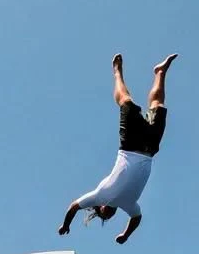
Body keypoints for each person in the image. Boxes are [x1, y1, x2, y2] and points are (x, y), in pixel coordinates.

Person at [58, 53, 177, 244]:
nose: (108, 215)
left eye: (103, 215)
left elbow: (74, 207)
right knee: (158, 105)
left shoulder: (99, 195)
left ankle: (117, 72)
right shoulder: (129, 205)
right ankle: (160, 72)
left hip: (129, 145)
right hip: (149, 149)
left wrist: (66, 225)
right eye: (109, 218)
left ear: (100, 207)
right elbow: (136, 218)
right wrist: (125, 235)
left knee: (125, 101)